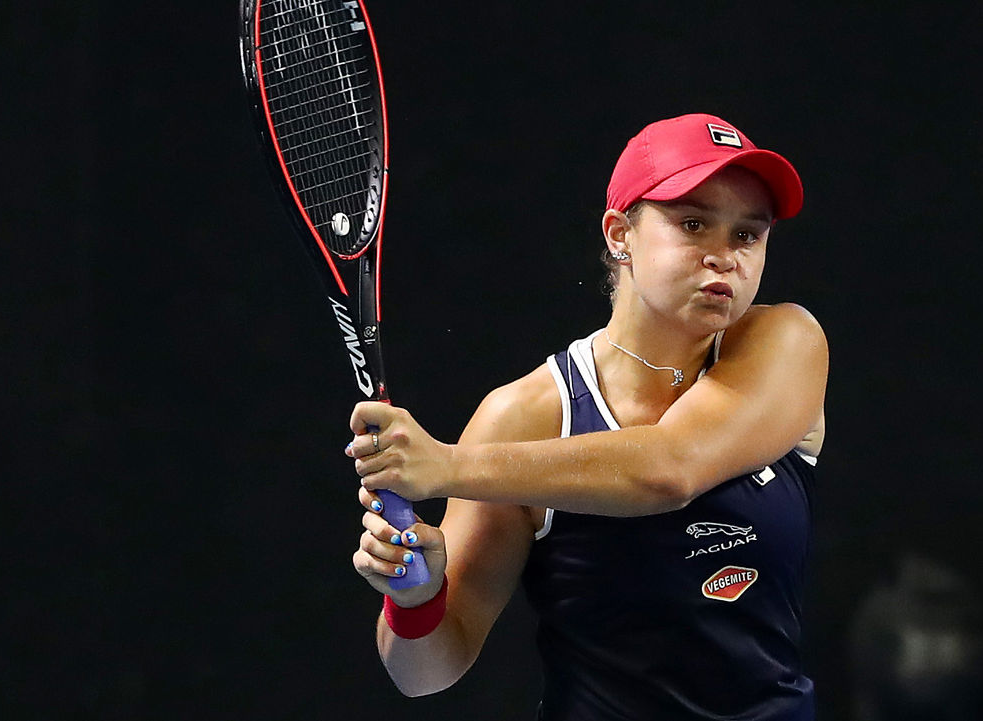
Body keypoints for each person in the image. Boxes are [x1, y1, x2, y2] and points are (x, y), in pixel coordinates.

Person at [346, 113, 829, 720]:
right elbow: (424, 675)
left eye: (746, 236)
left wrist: (444, 467)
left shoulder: (787, 343)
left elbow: (669, 470)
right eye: (693, 223)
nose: (723, 257)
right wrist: (415, 598)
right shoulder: (523, 418)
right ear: (619, 233)